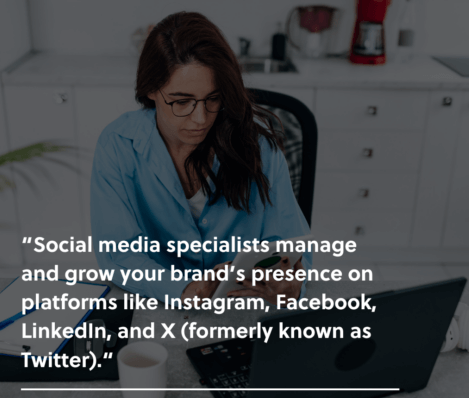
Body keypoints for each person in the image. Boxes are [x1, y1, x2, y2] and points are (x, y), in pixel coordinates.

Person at [91, 11, 312, 305]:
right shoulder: (118, 145)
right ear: (150, 90)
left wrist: (290, 284)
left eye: (213, 99)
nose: (201, 118)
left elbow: (292, 249)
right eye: (182, 101)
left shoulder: (260, 149)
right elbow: (117, 252)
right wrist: (184, 288)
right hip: (158, 309)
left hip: (242, 312)